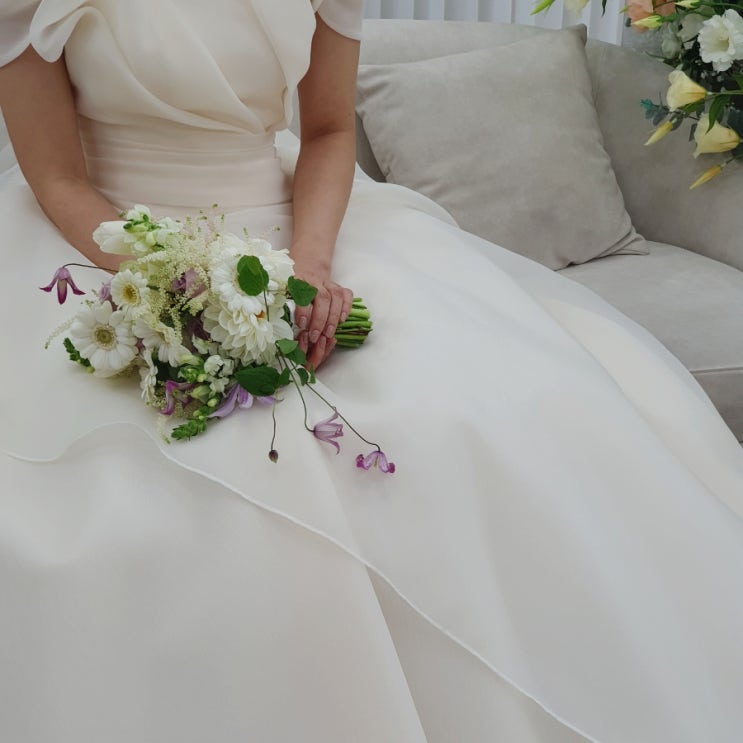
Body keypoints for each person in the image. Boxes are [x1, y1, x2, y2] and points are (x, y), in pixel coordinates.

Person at [0, 2, 742, 741]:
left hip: (296, 228)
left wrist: (310, 267)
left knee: (495, 412)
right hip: (109, 247)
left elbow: (327, 132)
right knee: (113, 511)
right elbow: (57, 177)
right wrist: (175, 277)